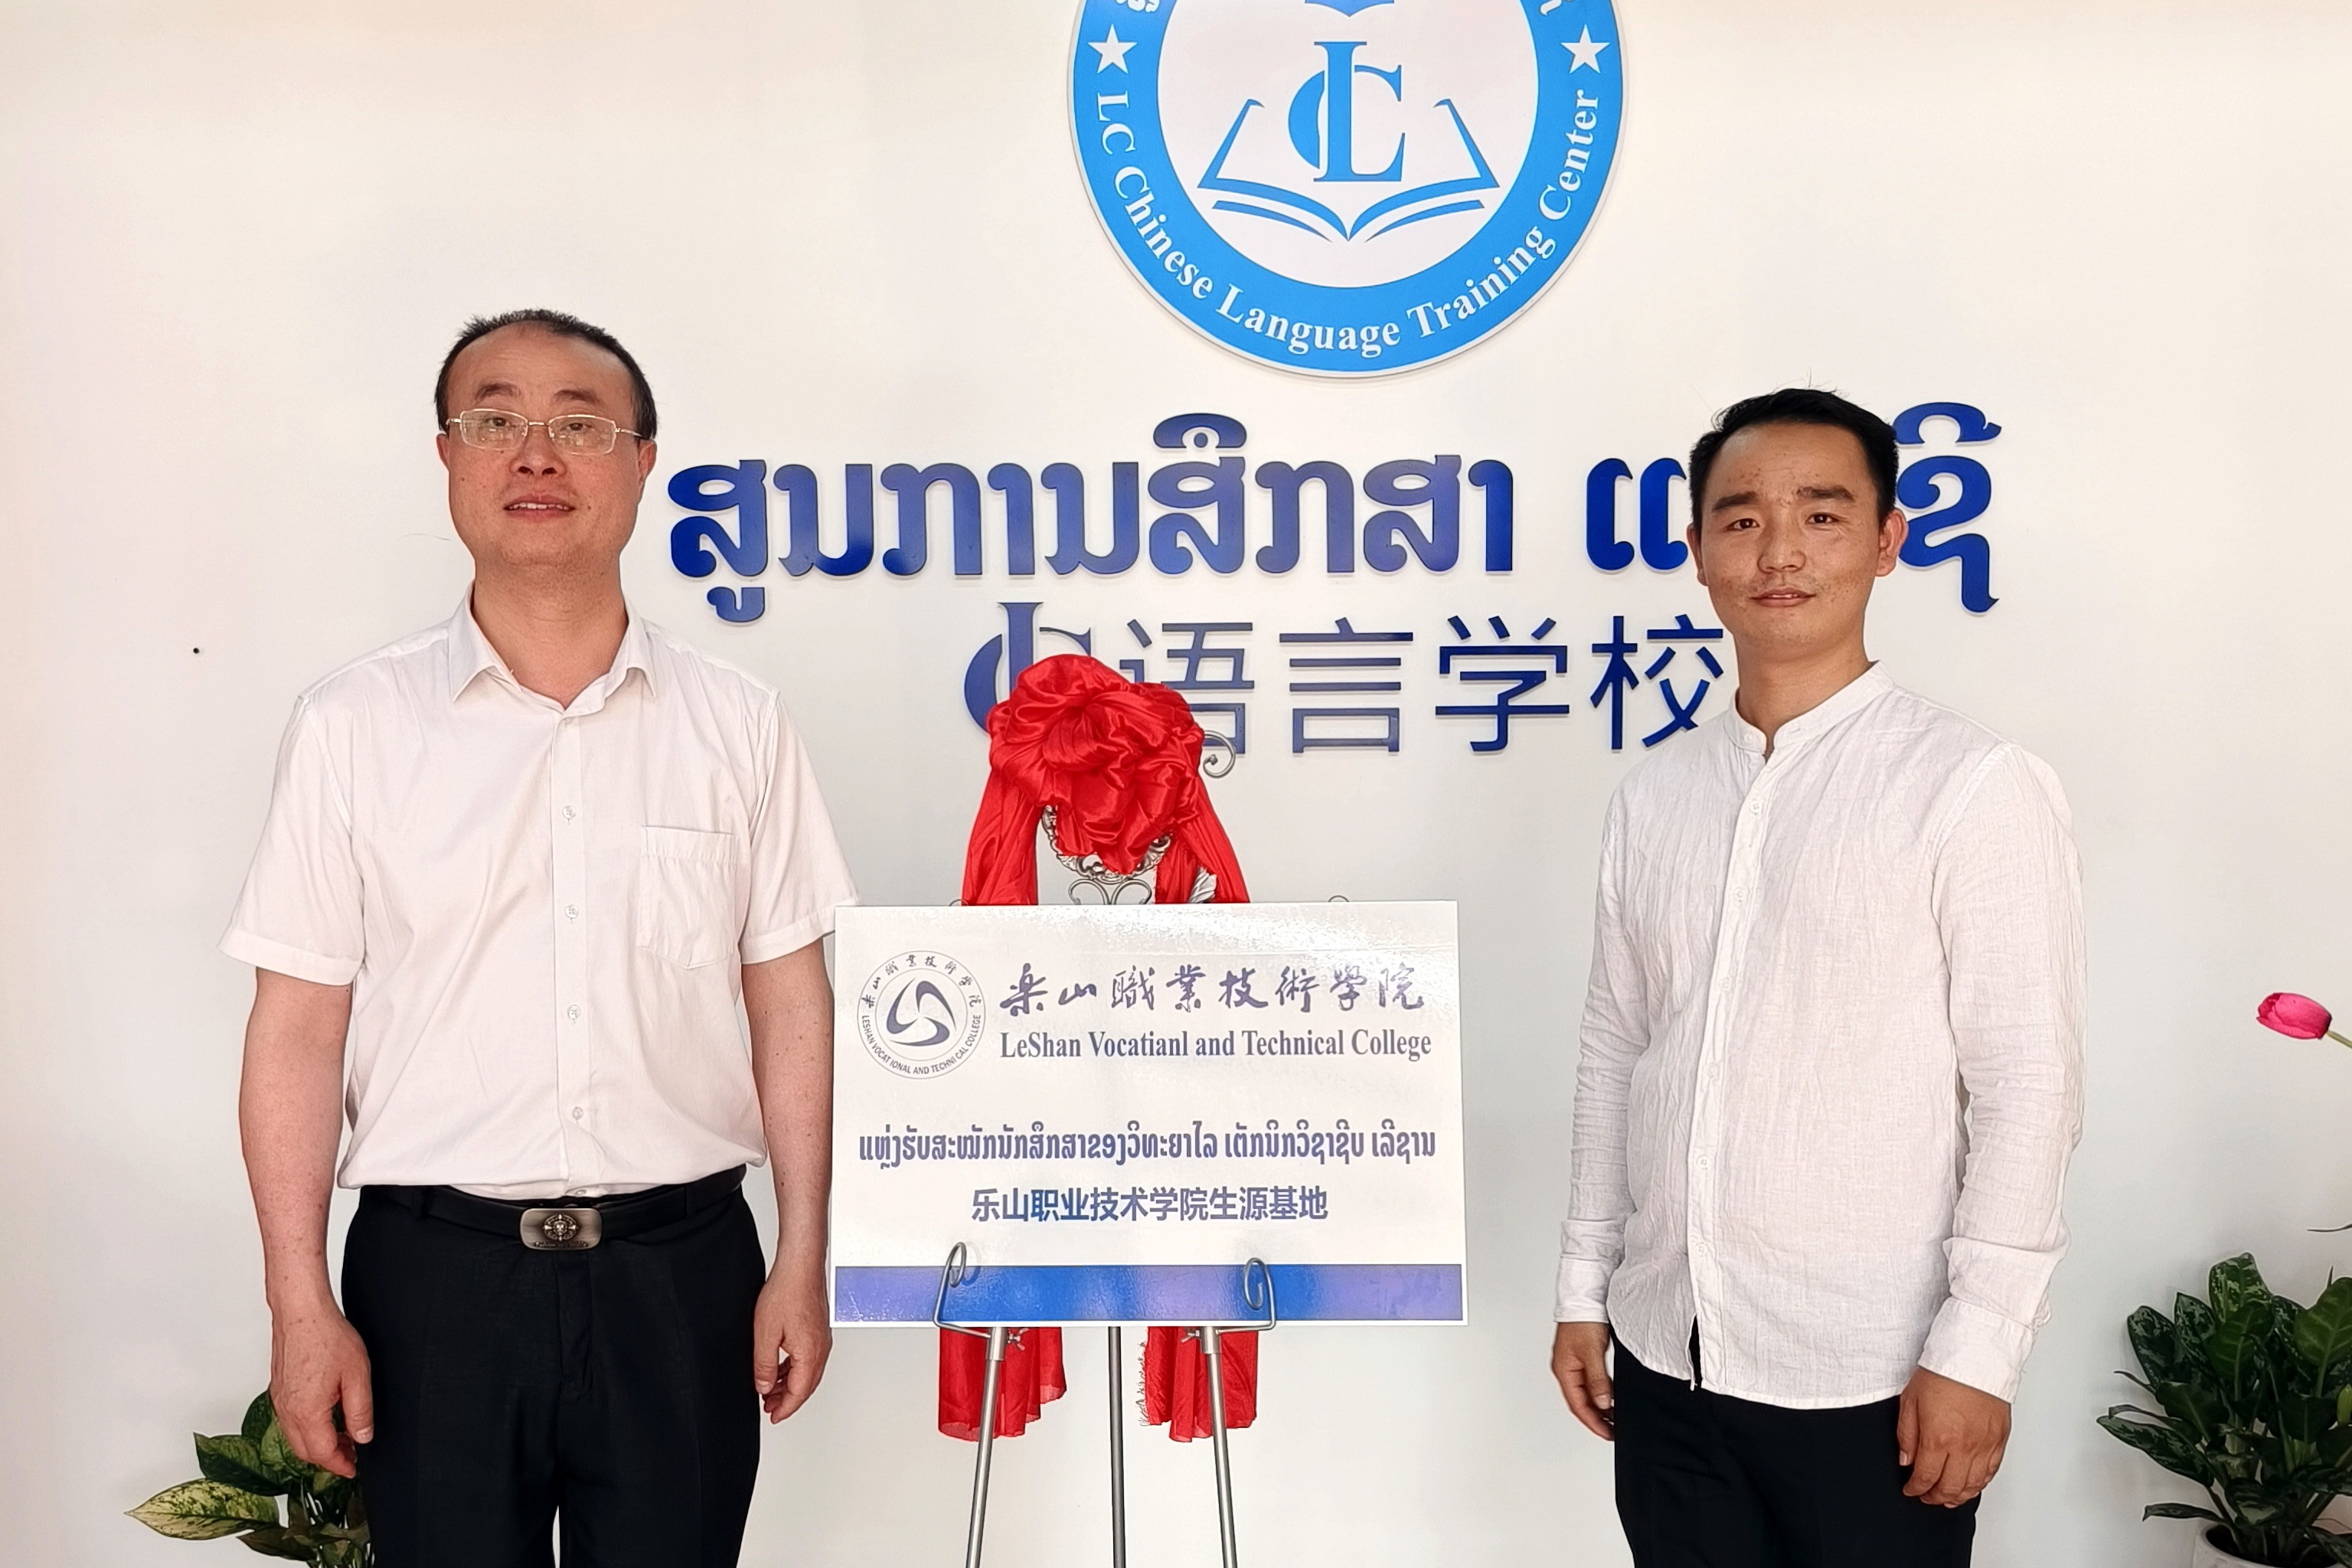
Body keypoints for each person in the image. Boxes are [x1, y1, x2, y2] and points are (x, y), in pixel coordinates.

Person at [223, 309, 857, 1566]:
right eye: (495, 419)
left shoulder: (737, 723)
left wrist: (802, 1256)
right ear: (447, 457)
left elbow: (791, 999)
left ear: (643, 461)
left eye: (580, 423)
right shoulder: (353, 725)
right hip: (435, 1285)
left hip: (682, 1277)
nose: (536, 453)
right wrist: (300, 1303)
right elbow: (295, 1029)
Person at [1549, 388, 2084, 1567]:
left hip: (1871, 1377)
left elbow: (2028, 1087)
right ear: (1697, 552)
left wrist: (1980, 1351)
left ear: (1888, 540)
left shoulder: (1971, 785)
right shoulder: (1656, 798)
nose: (1779, 552)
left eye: (1823, 515)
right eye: (1741, 519)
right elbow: (1617, 1054)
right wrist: (1585, 1287)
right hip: (1668, 1361)